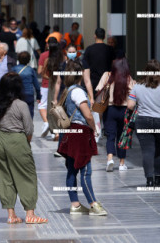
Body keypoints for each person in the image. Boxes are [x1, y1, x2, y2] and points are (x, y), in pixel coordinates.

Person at [0, 72, 48, 224]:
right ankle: (30, 214)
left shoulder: (0, 105)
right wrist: (26, 143)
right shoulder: (21, 105)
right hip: (17, 140)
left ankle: (11, 215)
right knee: (27, 176)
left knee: (5, 178)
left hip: (0, 141)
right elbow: (29, 129)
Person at [59, 60, 107, 216]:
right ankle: (93, 203)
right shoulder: (78, 92)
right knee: (86, 170)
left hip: (70, 132)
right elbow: (88, 114)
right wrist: (94, 128)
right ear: (80, 74)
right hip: (81, 132)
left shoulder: (67, 91)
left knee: (72, 169)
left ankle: (75, 204)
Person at [96, 58, 134, 172]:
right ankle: (122, 164)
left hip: (110, 110)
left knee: (110, 136)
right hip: (124, 110)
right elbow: (133, 94)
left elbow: (99, 90)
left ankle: (110, 159)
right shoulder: (128, 78)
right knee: (122, 137)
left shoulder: (107, 75)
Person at [127, 59, 160, 187]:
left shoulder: (137, 87)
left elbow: (130, 106)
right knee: (158, 150)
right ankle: (158, 177)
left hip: (143, 121)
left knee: (147, 150)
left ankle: (149, 179)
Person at [83, 28, 116, 104]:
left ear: (95, 36)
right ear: (104, 37)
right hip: (107, 81)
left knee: (95, 106)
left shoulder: (89, 49)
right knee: (106, 103)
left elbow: (85, 67)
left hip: (93, 82)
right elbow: (114, 65)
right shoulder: (110, 49)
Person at [37, 37, 57, 138]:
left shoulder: (44, 55)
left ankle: (46, 122)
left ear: (47, 45)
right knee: (56, 106)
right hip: (57, 84)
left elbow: (39, 71)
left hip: (46, 84)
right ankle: (56, 130)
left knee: (42, 105)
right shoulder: (60, 56)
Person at [12, 52, 41, 118]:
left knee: (17, 113)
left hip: (17, 95)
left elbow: (10, 84)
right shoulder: (31, 70)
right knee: (29, 113)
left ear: (18, 59)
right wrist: (38, 97)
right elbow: (37, 86)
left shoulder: (14, 69)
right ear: (28, 60)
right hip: (29, 95)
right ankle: (29, 126)